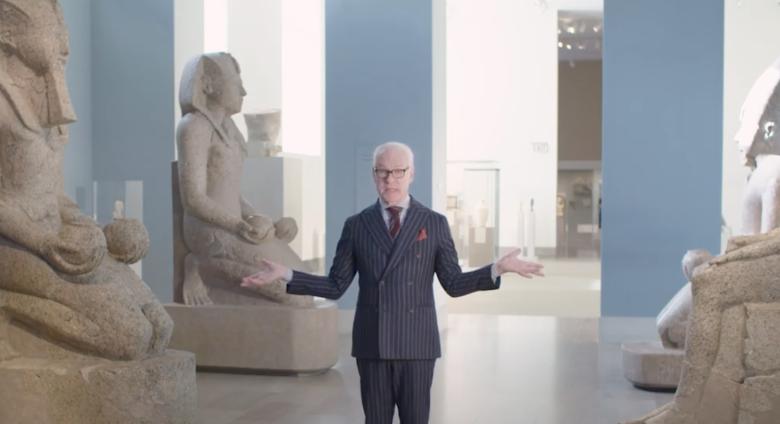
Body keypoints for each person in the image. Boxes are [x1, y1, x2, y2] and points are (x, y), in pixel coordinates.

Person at [242, 141, 544, 424]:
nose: (390, 179)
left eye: (398, 171)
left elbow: (452, 282)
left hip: (417, 344)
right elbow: (336, 285)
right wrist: (287, 274)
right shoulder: (357, 225)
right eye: (383, 171)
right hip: (373, 343)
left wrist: (496, 269)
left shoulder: (434, 223)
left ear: (411, 174)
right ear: (374, 175)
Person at [176, 52, 310, 307]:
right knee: (297, 296)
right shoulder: (194, 126)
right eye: (236, 84)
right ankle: (199, 265)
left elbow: (230, 193)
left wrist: (263, 220)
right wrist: (239, 226)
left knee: (303, 281)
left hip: (235, 225)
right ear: (209, 85)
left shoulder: (230, 129)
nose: (244, 92)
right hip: (208, 231)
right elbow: (193, 199)